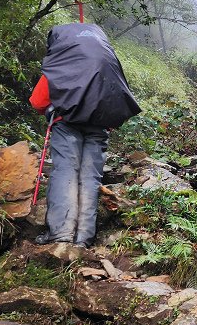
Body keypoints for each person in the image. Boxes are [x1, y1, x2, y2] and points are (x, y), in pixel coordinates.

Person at [29, 23, 140, 247]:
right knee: (90, 178)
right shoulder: (106, 62)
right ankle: (83, 238)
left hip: (66, 125)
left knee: (66, 172)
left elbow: (37, 101)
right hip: (98, 128)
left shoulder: (60, 65)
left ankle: (61, 233)